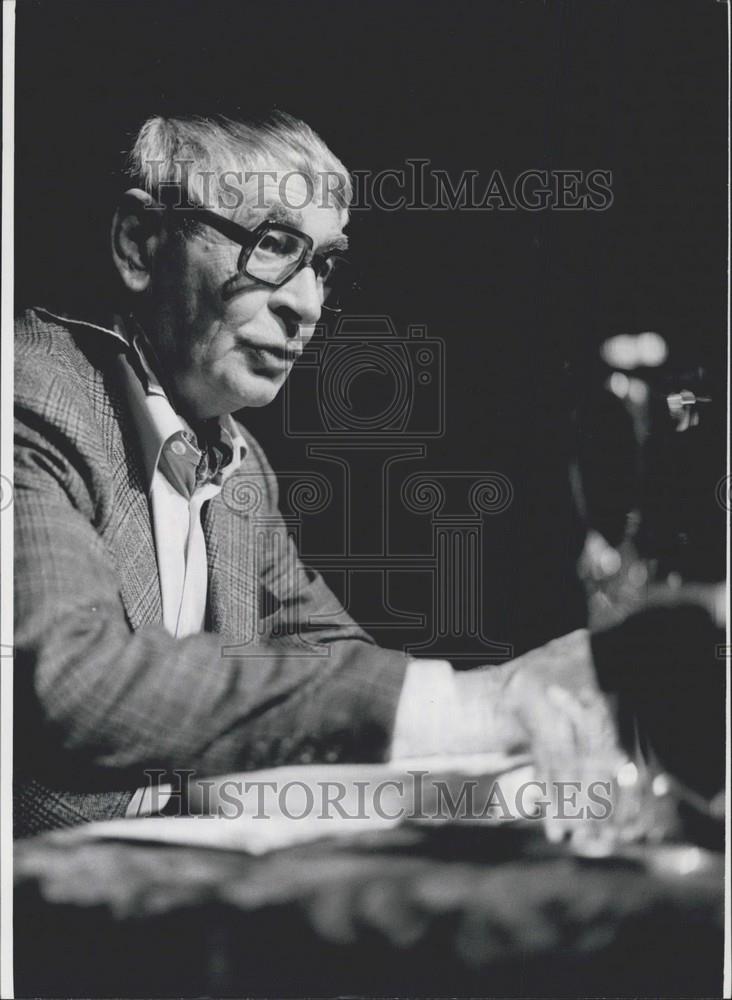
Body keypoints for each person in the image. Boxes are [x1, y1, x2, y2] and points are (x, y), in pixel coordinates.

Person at [14, 112, 617, 837]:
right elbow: (75, 683)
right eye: (272, 246)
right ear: (140, 243)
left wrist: (538, 691)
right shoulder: (27, 394)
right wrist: (476, 706)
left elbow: (333, 668)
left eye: (323, 265)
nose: (306, 304)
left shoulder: (239, 468)